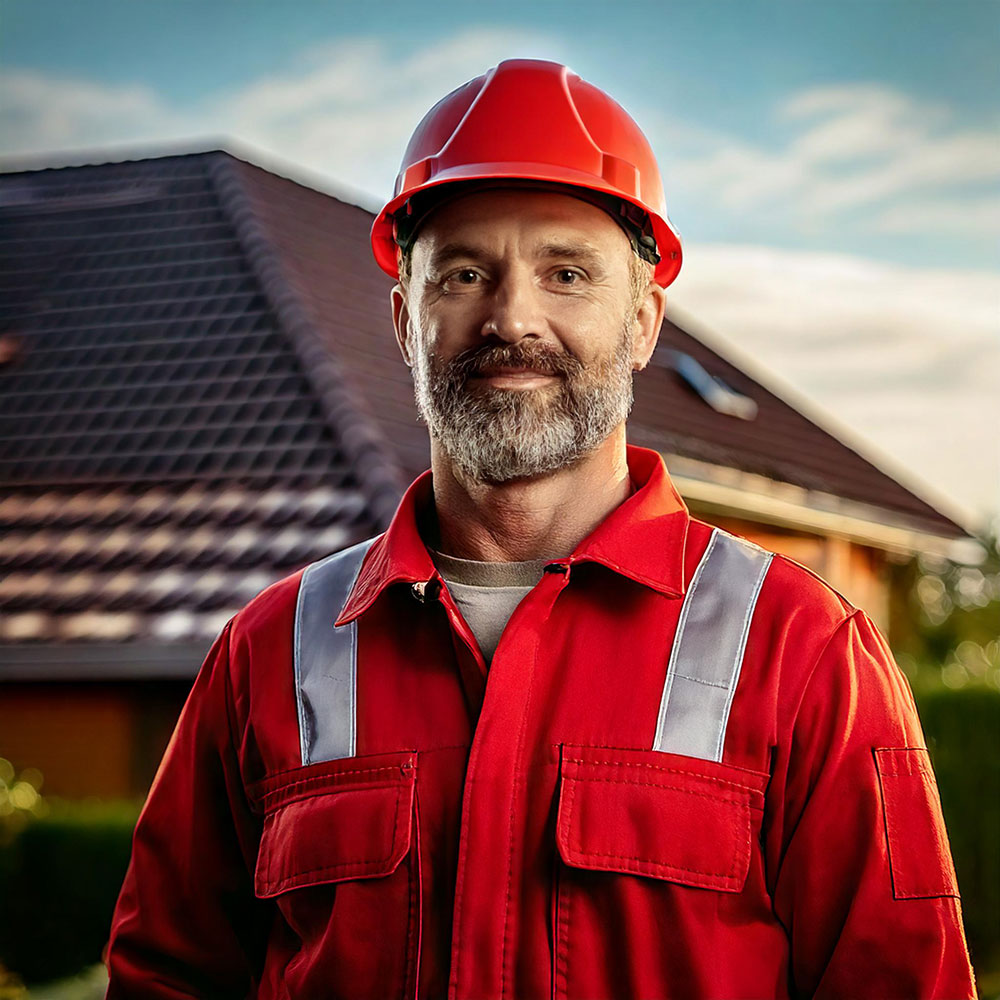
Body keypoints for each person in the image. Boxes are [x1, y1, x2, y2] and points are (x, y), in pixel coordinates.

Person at [105, 59, 976, 999]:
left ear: (644, 322)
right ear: (404, 322)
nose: (512, 316)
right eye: (466, 272)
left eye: (566, 273)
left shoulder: (804, 651)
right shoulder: (267, 654)